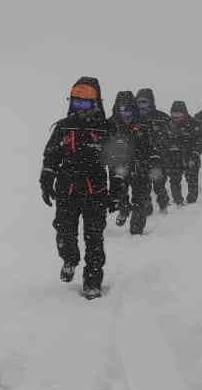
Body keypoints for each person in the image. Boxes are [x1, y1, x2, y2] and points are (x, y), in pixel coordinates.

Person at [40, 77, 110, 296]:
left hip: (95, 192)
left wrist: (117, 190)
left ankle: (92, 281)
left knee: (94, 238)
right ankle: (69, 259)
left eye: (85, 104)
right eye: (76, 102)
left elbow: (119, 162)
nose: (80, 108)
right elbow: (50, 157)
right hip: (67, 190)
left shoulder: (106, 129)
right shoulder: (63, 127)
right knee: (64, 232)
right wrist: (46, 181)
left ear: (95, 103)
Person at [106, 90, 153, 233]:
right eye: (122, 110)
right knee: (120, 192)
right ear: (117, 109)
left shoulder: (143, 125)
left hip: (140, 167)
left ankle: (136, 231)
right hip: (117, 167)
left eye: (130, 109)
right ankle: (123, 209)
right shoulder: (109, 125)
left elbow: (152, 147)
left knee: (140, 198)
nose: (126, 114)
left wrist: (152, 161)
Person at [135, 88, 172, 214]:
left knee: (158, 183)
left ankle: (163, 204)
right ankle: (147, 207)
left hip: (158, 157)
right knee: (143, 185)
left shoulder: (162, 117)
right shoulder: (134, 118)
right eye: (139, 102)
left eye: (144, 102)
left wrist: (166, 151)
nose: (142, 105)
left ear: (151, 102)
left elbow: (172, 137)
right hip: (141, 157)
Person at [166, 100, 199, 204]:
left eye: (179, 115)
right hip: (174, 156)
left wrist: (195, 154)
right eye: (174, 115)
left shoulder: (193, 123)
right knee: (174, 180)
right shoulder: (167, 124)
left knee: (192, 179)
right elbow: (163, 140)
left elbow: (200, 140)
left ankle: (192, 201)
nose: (176, 118)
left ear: (184, 113)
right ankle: (178, 200)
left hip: (190, 155)